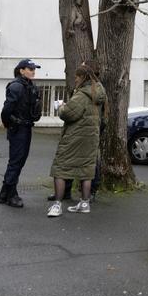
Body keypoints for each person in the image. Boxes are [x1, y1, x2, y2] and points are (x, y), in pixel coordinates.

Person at [46, 64, 105, 217]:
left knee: (60, 168)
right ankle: (84, 203)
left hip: (75, 137)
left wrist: (61, 107)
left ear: (83, 77)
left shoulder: (81, 94)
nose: (75, 79)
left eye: (77, 77)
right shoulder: (97, 92)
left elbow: (69, 114)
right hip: (91, 137)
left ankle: (57, 205)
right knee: (86, 170)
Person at [0, 59, 42, 208]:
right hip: (18, 128)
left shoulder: (30, 86)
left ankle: (4, 194)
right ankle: (11, 195)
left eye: (34, 69)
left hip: (26, 127)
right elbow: (6, 110)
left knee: (19, 161)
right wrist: (8, 124)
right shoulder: (16, 86)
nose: (33, 71)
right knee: (16, 162)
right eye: (30, 69)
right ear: (21, 70)